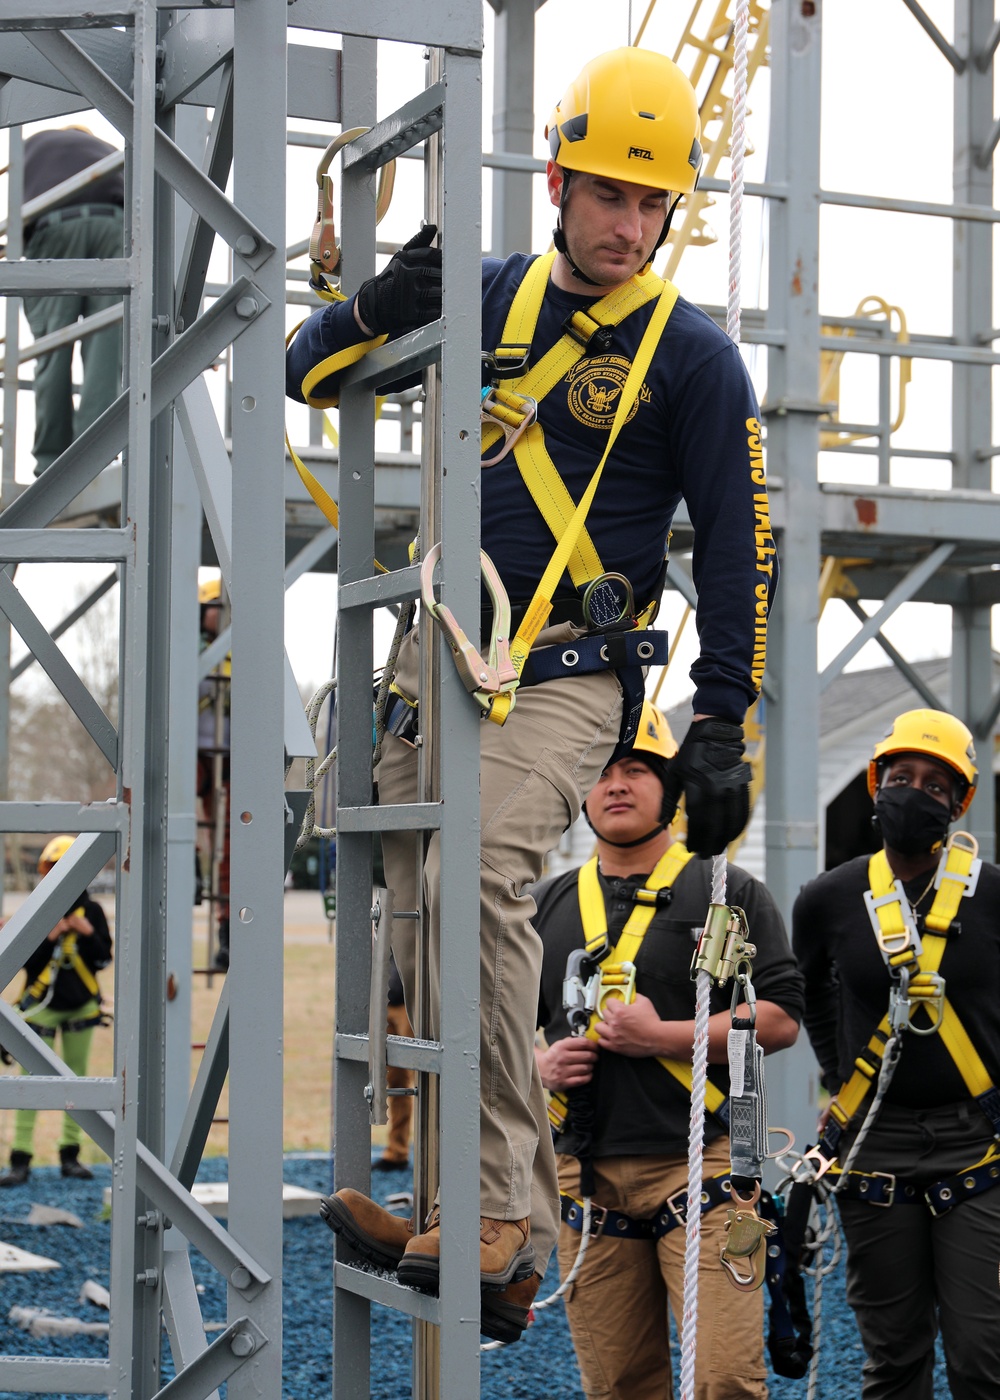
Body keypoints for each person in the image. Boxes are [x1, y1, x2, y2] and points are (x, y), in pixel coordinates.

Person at [291, 48, 775, 1320]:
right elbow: (306, 372)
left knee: (476, 873)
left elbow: (737, 548)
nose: (630, 225)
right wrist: (377, 303)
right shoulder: (484, 292)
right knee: (415, 898)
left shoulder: (694, 357)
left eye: (652, 203)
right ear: (558, 182)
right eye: (610, 193)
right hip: (439, 653)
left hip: (567, 668)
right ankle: (463, 1207)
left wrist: (723, 717)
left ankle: (510, 1203)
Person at [530, 701, 802, 1384]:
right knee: (619, 1385)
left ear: (673, 789)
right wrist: (537, 1066)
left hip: (708, 1164)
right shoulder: (542, 905)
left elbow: (779, 1020)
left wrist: (663, 1037)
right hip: (584, 1174)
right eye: (600, 771)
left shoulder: (726, 892)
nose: (616, 784)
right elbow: (488, 1031)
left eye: (637, 769)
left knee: (723, 1380)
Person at [792, 709, 1000, 1400]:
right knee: (894, 1358)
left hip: (978, 1141)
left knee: (984, 1357)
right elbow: (812, 993)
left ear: (958, 803)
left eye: (937, 786)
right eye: (903, 777)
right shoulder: (828, 899)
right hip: (873, 1144)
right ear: (876, 785)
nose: (917, 793)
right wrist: (837, 1070)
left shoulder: (993, 896)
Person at [0, 836, 112, 1186]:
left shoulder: (91, 912)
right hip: (41, 1010)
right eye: (51, 870)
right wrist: (49, 936)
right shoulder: (36, 910)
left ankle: (70, 1154)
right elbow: (22, 963)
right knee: (28, 1084)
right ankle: (20, 1159)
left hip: (79, 1006)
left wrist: (88, 932)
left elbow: (103, 958)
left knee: (76, 1081)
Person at [21, 127, 125, 476]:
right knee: (106, 348)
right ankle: (93, 457)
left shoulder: (30, 147)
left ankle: (50, 463)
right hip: (116, 228)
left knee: (52, 344)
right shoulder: (108, 150)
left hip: (54, 229)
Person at [371, 953, 415, 1171]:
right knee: (395, 1081)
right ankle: (396, 1151)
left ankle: (438, 1154)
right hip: (382, 1001)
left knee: (423, 1080)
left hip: (411, 1003)